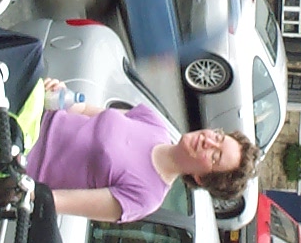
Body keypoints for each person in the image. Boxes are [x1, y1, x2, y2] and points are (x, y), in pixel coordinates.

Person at [28, 78, 259, 223]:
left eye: (215, 156)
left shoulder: (145, 197)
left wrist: (23, 190)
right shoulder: (154, 123)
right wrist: (61, 92)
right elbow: (82, 110)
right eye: (218, 136)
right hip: (31, 114)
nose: (209, 141)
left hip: (19, 161)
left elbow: (54, 201)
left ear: (201, 178)